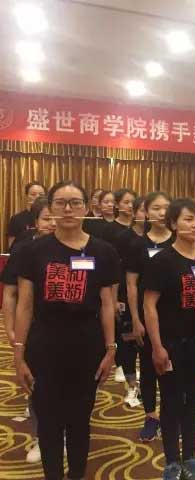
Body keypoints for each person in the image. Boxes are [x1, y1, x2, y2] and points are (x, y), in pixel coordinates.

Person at [13, 180, 119, 480]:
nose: (68, 209)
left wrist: (111, 349)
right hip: (44, 343)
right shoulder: (32, 251)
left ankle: (76, 473)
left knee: (79, 418)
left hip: (87, 343)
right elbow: (25, 304)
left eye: (75, 202)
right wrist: (19, 353)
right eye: (60, 203)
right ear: (51, 208)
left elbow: (108, 304)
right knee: (48, 420)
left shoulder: (104, 251)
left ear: (86, 207)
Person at [144, 198, 195, 480]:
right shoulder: (162, 261)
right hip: (172, 344)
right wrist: (157, 346)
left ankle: (190, 457)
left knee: (193, 401)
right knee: (171, 402)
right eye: (189, 219)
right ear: (174, 224)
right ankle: (171, 462)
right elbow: (149, 306)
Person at [2, 197, 56, 464]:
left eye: (56, 217)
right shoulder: (24, 250)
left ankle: (64, 433)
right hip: (33, 328)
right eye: (46, 218)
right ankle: (40, 437)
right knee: (37, 384)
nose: (52, 223)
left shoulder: (78, 248)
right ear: (35, 222)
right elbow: (10, 293)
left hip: (69, 330)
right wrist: (10, 328)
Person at [125, 192, 173, 442]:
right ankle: (150, 416)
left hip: (175, 316)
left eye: (166, 208)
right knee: (148, 367)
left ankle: (169, 415)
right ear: (145, 212)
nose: (162, 213)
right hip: (146, 314)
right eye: (156, 208)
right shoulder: (137, 245)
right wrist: (135, 318)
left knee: (173, 368)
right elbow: (131, 284)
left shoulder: (178, 240)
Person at [102, 188, 137, 383]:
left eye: (133, 202)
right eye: (126, 202)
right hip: (117, 282)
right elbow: (108, 261)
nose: (130, 206)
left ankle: (130, 365)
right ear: (117, 204)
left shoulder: (139, 229)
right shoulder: (110, 230)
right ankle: (122, 365)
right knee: (121, 324)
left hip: (136, 282)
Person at [114, 197, 147, 406]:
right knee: (128, 344)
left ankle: (149, 384)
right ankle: (132, 385)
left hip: (152, 297)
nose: (147, 215)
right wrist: (116, 298)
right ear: (135, 213)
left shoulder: (158, 238)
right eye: (143, 210)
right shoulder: (123, 237)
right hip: (126, 295)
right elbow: (116, 269)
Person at [7, 181, 46, 248]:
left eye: (41, 194)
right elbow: (12, 246)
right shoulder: (16, 219)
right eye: (33, 194)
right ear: (26, 196)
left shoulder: (52, 218)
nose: (37, 197)